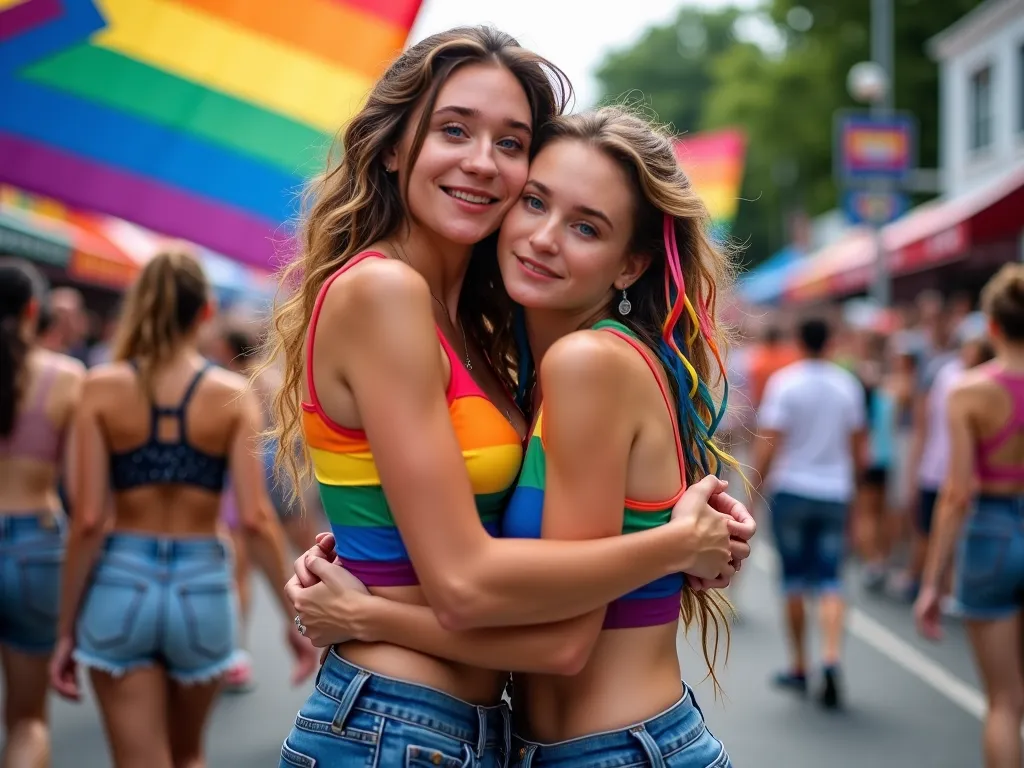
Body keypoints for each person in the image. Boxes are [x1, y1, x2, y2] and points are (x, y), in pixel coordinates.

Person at [266, 27, 753, 768]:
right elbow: (466, 582)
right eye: (454, 130)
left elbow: (526, 601)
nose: (480, 163)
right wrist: (676, 546)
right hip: (400, 725)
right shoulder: (388, 291)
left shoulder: (492, 340)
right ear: (394, 145)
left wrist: (364, 606)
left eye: (510, 142)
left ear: (629, 262)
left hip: (467, 731)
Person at [48, 250, 311, 768]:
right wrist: (292, 622)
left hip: (121, 581)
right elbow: (257, 519)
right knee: (189, 755)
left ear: (139, 306)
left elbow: (88, 519)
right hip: (202, 586)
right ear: (205, 312)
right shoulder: (232, 395)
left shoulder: (98, 388)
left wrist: (64, 629)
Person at [915, 265, 1024, 768]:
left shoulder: (968, 391)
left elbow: (957, 493)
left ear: (993, 327)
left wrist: (933, 582)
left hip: (994, 533)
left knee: (1003, 702)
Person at [753, 317, 867, 710]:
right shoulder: (846, 385)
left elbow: (770, 443)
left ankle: (800, 664)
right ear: (830, 341)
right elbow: (858, 448)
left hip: (792, 490)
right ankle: (831, 657)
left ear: (799, 340)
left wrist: (756, 490)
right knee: (832, 578)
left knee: (794, 579)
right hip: (834, 491)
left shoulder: (786, 383)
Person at [0, 258, 85, 767]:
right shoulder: (66, 377)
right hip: (36, 546)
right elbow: (80, 490)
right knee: (28, 721)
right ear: (36, 310)